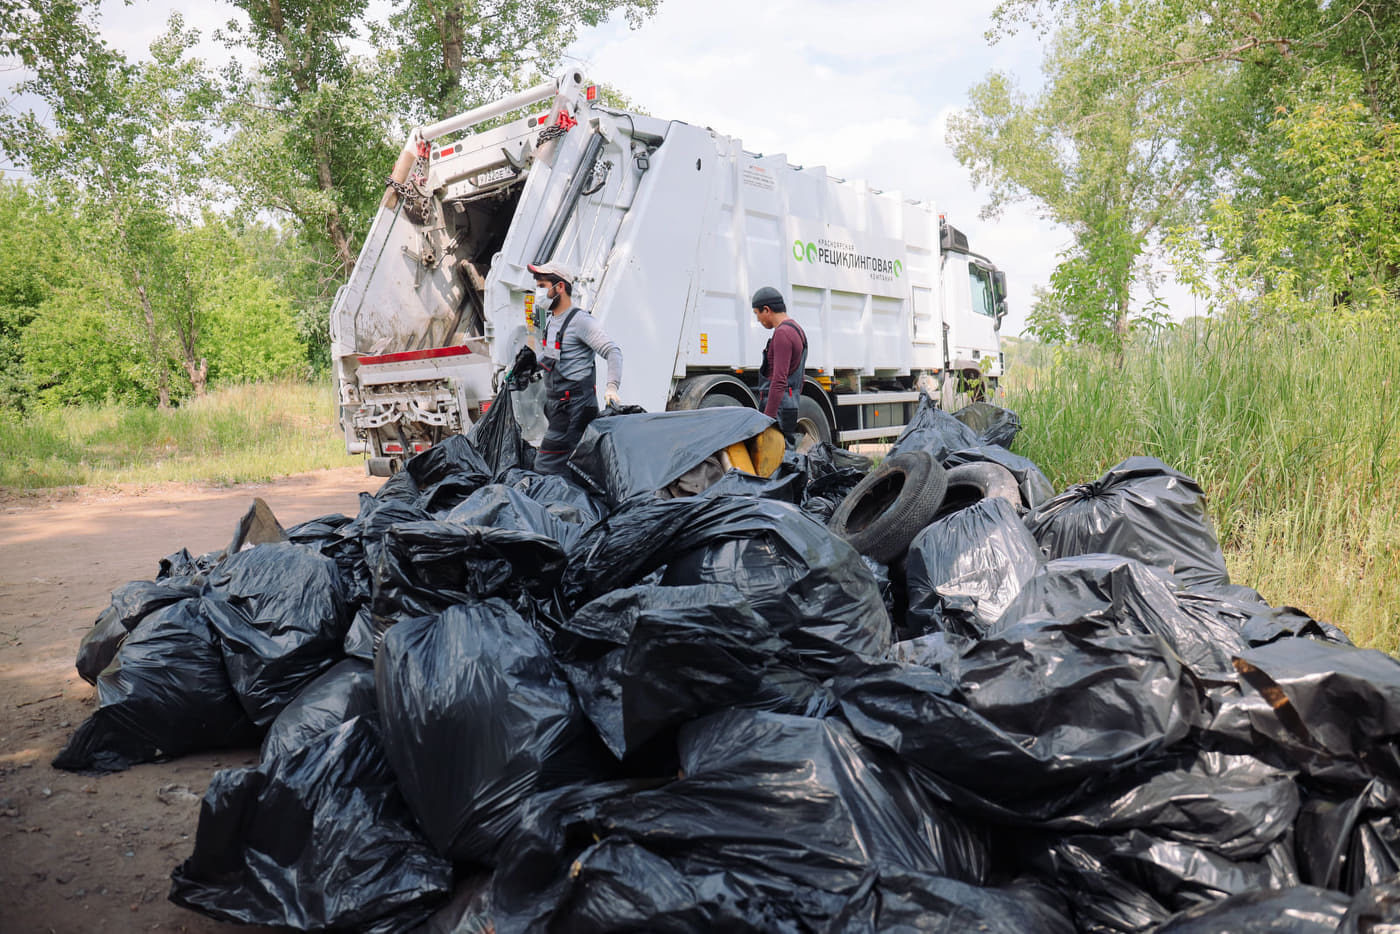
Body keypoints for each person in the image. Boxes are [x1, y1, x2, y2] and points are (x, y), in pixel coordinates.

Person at [527, 261, 623, 475]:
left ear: (560, 287)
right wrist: (529, 365)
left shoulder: (581, 321)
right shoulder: (552, 321)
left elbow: (612, 351)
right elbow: (554, 355)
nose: (538, 292)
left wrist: (611, 387)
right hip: (558, 408)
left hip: (575, 409)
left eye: (542, 286)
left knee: (546, 467)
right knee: (577, 466)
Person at [752, 285, 808, 445]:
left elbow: (779, 380)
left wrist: (767, 420)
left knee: (775, 458)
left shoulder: (783, 333)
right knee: (785, 457)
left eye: (757, 314)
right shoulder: (797, 329)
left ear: (767, 310)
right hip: (788, 405)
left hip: (778, 409)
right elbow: (799, 377)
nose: (758, 320)